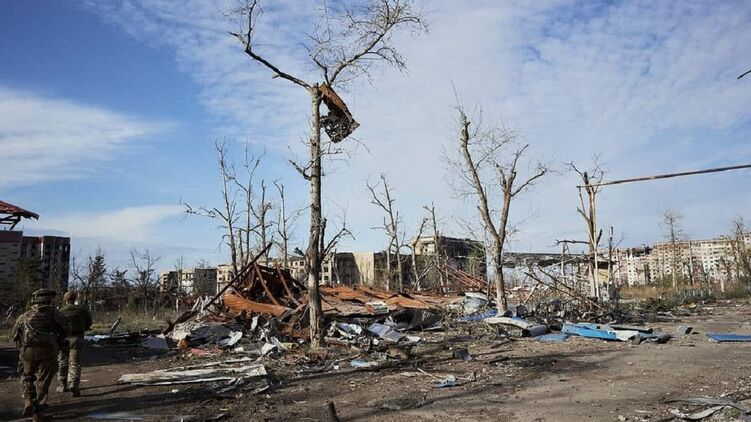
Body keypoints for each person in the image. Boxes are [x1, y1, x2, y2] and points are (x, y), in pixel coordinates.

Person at [12, 288, 70, 417]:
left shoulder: (24, 315)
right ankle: (39, 408)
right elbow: (67, 330)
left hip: (29, 351)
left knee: (27, 376)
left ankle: (28, 401)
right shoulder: (56, 314)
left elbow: (15, 335)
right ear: (49, 299)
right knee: (43, 380)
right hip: (49, 351)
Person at [56, 291, 92, 397]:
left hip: (63, 339)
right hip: (77, 338)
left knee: (62, 361)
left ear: (65, 300)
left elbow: (55, 326)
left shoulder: (60, 312)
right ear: (75, 299)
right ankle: (73, 384)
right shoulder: (82, 310)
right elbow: (89, 323)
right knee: (75, 363)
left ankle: (62, 385)